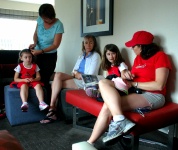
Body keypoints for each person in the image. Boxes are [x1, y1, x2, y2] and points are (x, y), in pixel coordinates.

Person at [85, 30, 172, 147]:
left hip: (153, 95)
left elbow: (159, 85)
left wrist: (134, 84)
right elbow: (135, 79)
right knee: (103, 82)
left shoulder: (161, 56)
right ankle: (119, 120)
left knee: (108, 106)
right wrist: (126, 76)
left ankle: (90, 143)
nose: (132, 48)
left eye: (133, 46)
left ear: (140, 46)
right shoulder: (138, 59)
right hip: (135, 91)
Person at [40, 34, 102, 124]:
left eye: (91, 43)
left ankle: (52, 109)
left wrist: (78, 74)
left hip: (85, 81)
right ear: (83, 44)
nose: (88, 45)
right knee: (57, 75)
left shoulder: (96, 56)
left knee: (55, 83)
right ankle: (52, 109)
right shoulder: (81, 55)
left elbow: (90, 74)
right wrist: (76, 74)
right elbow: (73, 70)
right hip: (76, 76)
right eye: (86, 43)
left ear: (94, 44)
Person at [29, 3, 64, 91]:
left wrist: (41, 51)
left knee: (44, 79)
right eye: (42, 18)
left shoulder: (59, 25)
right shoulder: (40, 20)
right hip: (37, 53)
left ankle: (46, 101)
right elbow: (36, 34)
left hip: (49, 56)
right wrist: (35, 43)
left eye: (45, 18)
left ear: (51, 16)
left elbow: (56, 45)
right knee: (34, 76)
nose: (43, 20)